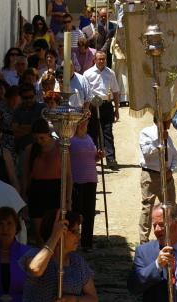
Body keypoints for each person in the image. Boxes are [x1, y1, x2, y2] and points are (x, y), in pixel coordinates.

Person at [20, 210, 98, 301]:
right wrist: (54, 236)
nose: (78, 236)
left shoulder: (77, 261)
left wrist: (74, 300)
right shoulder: (35, 254)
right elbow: (35, 269)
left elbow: (93, 298)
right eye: (73, 232)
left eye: (78, 232)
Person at [23, 118, 70, 245]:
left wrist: (68, 199)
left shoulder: (60, 147)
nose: (39, 141)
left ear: (48, 133)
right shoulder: (30, 149)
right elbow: (26, 176)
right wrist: (24, 199)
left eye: (42, 138)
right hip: (37, 192)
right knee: (39, 234)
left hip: (55, 191)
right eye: (36, 138)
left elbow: (68, 176)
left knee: (55, 232)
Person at [138, 116, 177, 244]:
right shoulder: (146, 132)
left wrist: (172, 170)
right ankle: (144, 241)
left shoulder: (168, 136)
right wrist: (160, 140)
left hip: (167, 177)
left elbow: (175, 156)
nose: (171, 121)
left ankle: (170, 238)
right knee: (148, 208)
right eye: (168, 119)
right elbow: (146, 153)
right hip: (151, 176)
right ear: (160, 120)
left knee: (170, 208)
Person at [84, 50, 120, 168]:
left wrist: (117, 109)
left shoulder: (110, 73)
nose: (101, 61)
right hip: (93, 105)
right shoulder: (87, 74)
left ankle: (111, 159)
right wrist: (86, 108)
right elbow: (85, 92)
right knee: (92, 132)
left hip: (106, 104)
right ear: (94, 60)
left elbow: (115, 91)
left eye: (103, 59)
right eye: (99, 59)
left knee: (107, 132)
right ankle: (93, 158)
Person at [0, 207, 31, 302]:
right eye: (0, 224)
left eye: (9, 223)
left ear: (16, 227)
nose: (5, 229)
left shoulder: (28, 253)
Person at [70, 116, 102, 250]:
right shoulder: (71, 140)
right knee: (77, 212)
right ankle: (73, 240)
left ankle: (87, 242)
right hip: (77, 180)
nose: (84, 125)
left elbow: (93, 159)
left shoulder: (89, 138)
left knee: (89, 212)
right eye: (81, 123)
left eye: (85, 123)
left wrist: (98, 156)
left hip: (91, 179)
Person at [12, 83, 46, 150]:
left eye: (31, 97)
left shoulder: (42, 108)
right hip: (22, 147)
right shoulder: (17, 110)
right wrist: (34, 128)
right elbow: (15, 132)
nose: (29, 100)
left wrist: (21, 126)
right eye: (25, 98)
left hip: (40, 147)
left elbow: (43, 129)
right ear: (21, 97)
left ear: (35, 95)